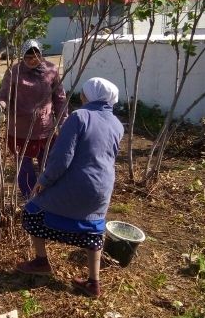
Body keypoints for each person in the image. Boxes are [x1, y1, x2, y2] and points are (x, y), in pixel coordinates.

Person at [17, 77, 125, 298]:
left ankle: (41, 262)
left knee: (32, 211)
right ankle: (93, 283)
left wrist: (43, 181)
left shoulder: (79, 117)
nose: (82, 96)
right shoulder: (116, 123)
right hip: (103, 188)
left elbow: (62, 158)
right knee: (94, 229)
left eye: (84, 93)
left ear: (90, 96)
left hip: (79, 184)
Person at [0, 39, 67, 198]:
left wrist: (62, 121)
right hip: (19, 129)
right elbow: (4, 95)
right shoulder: (14, 72)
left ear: (41, 55)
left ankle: (48, 196)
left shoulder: (51, 70)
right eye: (28, 58)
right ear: (22, 57)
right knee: (24, 167)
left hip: (44, 128)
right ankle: (30, 198)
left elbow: (60, 98)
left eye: (35, 57)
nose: (32, 60)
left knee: (48, 165)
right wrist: (1, 104)